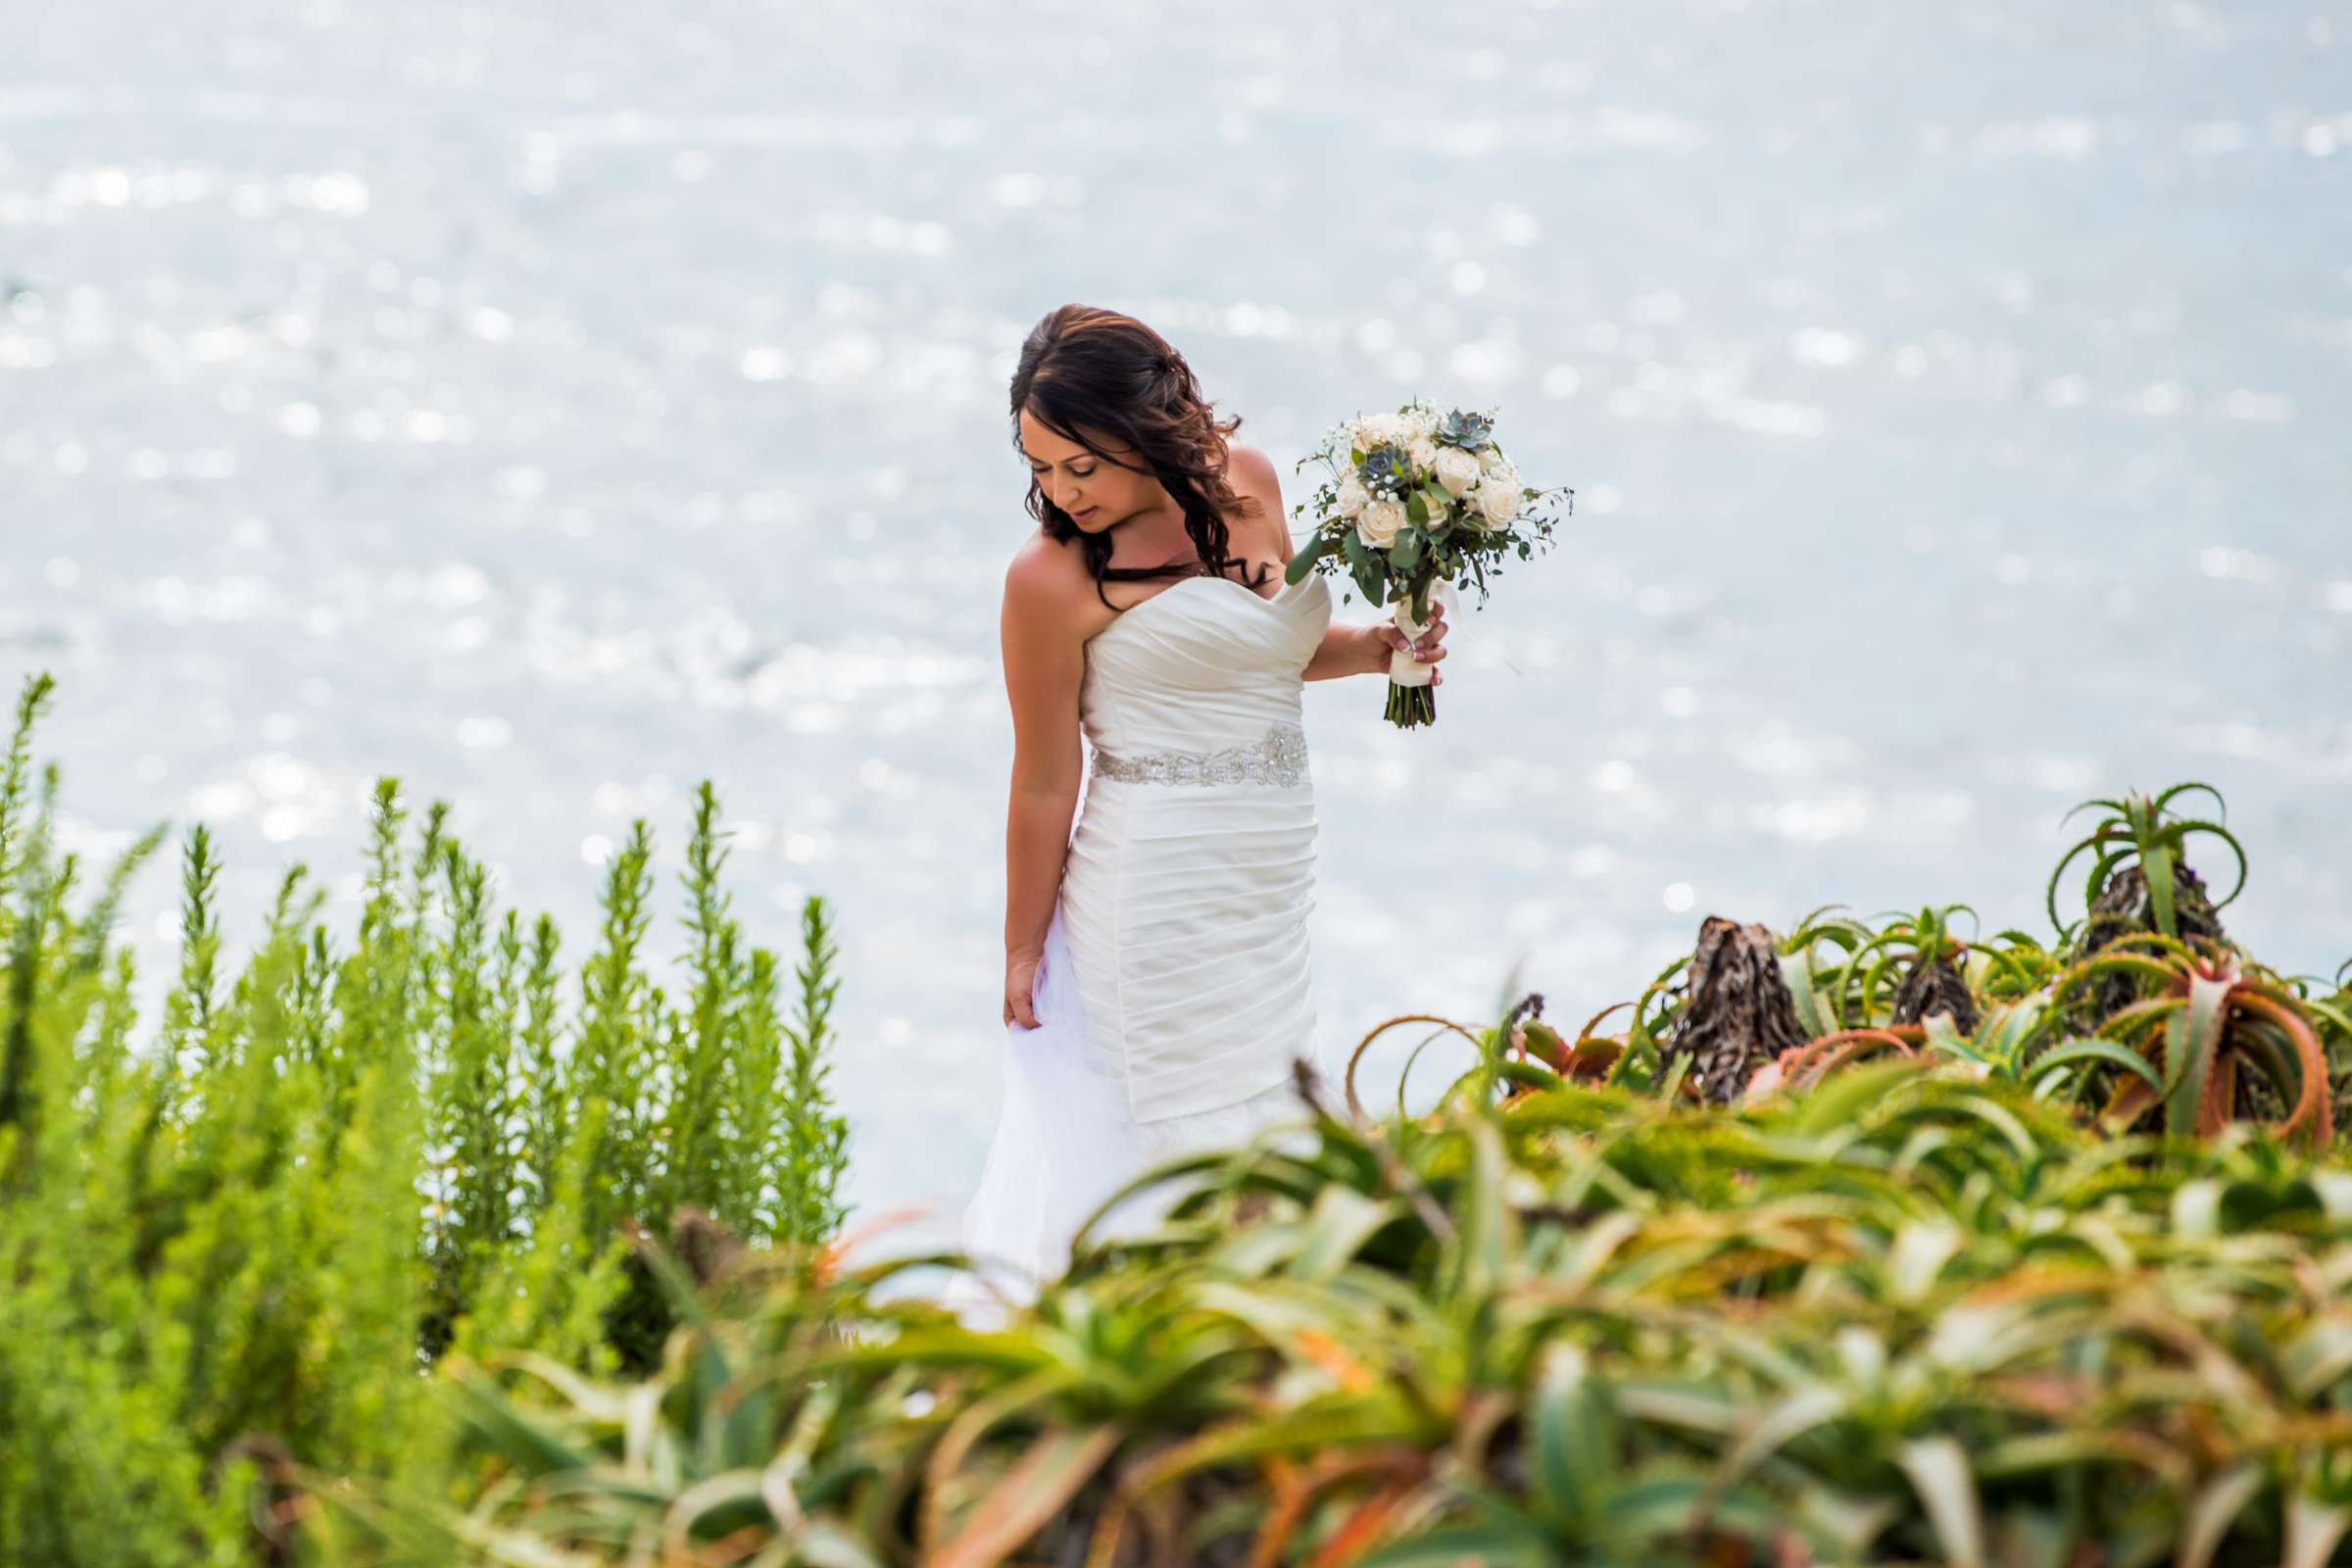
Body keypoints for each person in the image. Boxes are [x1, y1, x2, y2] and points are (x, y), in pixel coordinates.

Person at [940, 304, 1447, 1327]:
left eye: (1080, 465)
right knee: (1169, 1117)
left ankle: (1267, 1333)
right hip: (1150, 888)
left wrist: (1389, 649)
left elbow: (1272, 657)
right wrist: (1019, 951)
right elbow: (1044, 777)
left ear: (1147, 427)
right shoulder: (1047, 580)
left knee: (1266, 1091)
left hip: (1265, 871)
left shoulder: (1249, 483)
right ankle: (1159, 1335)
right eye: (1040, 468)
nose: (1059, 493)